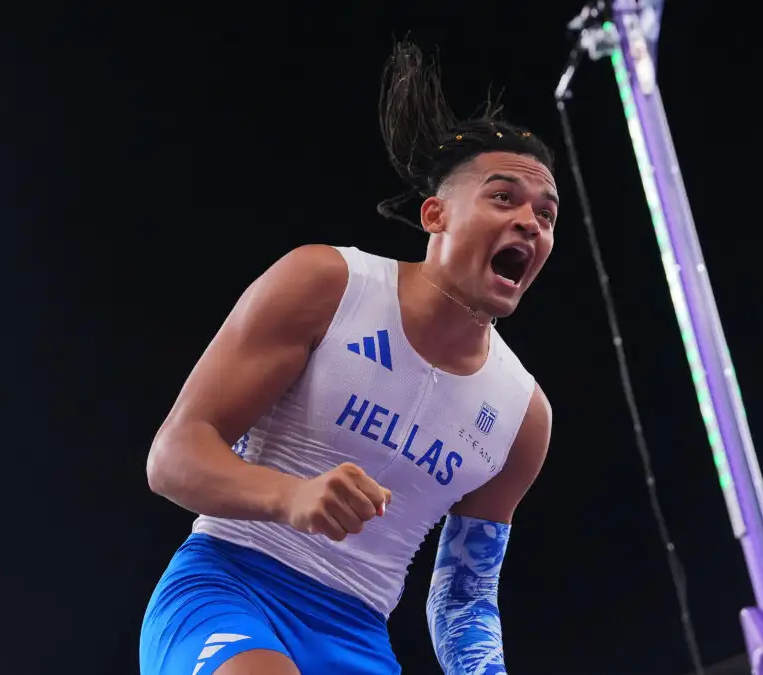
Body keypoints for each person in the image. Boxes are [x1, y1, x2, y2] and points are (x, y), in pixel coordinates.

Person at [139, 40, 559, 675]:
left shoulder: (523, 417)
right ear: (436, 215)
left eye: (546, 214)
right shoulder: (328, 284)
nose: (530, 221)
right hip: (231, 586)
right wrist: (290, 496)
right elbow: (173, 456)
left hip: (357, 635)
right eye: (504, 198)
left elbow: (465, 598)